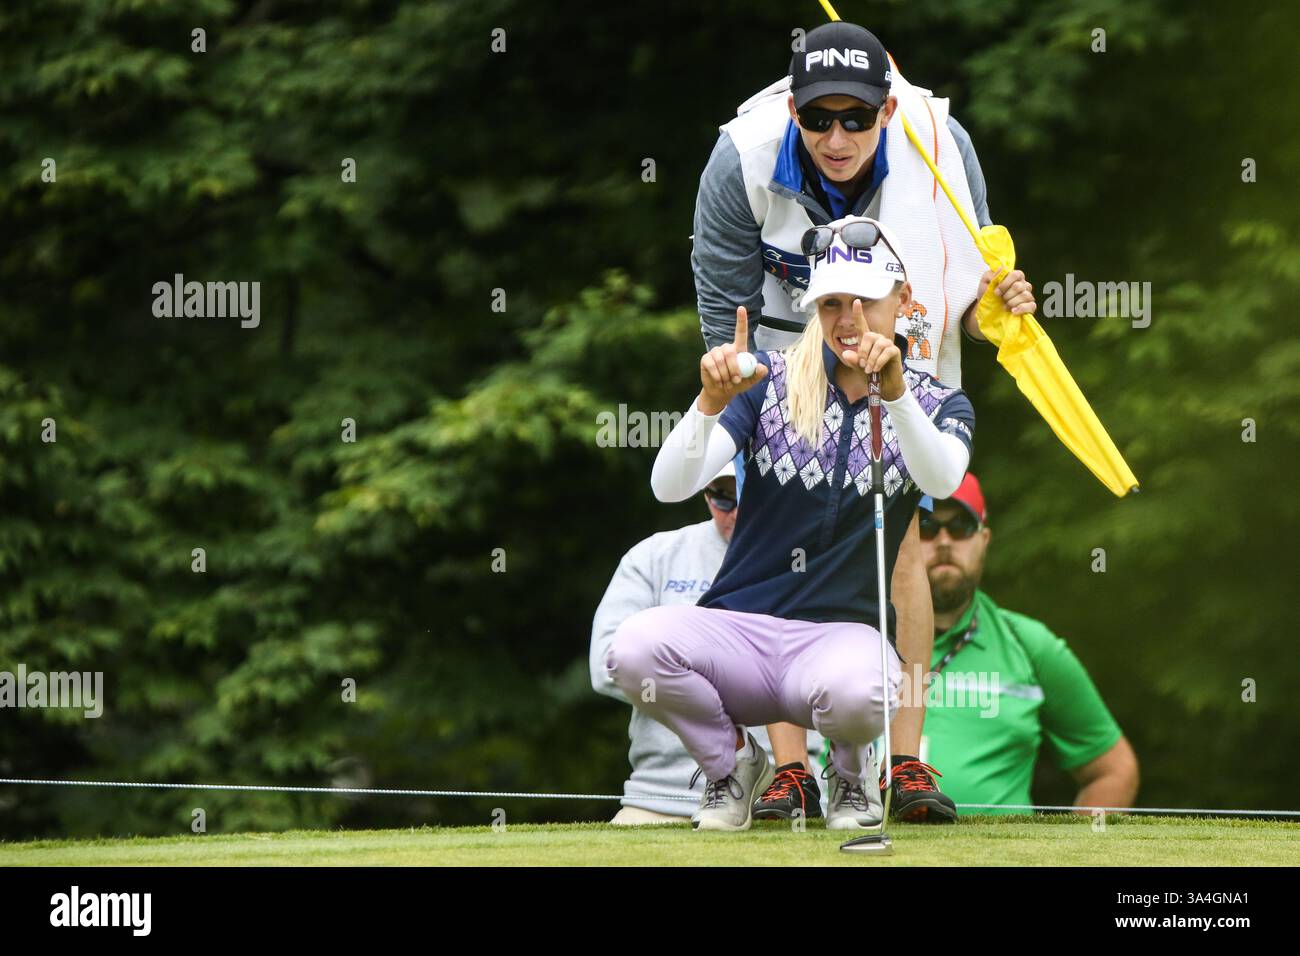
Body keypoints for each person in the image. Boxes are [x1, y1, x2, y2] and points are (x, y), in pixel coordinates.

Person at [691, 19, 1037, 823]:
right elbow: (725, 319)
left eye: (855, 118)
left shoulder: (942, 144)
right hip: (784, 350)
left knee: (907, 540)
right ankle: (790, 770)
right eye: (818, 119)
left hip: (904, 345)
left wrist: (1002, 309)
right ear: (792, 111)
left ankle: (905, 765)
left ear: (888, 111)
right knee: (770, 528)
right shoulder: (738, 158)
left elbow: (972, 302)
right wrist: (732, 427)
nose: (836, 136)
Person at [608, 217, 1008, 831]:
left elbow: (942, 481)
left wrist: (897, 394)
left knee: (867, 689)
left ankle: (849, 777)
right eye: (829, 303)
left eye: (864, 300)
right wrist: (708, 406)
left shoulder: (936, 402)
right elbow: (669, 486)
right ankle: (734, 764)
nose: (848, 317)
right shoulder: (765, 383)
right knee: (634, 649)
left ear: (902, 300)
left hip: (841, 645)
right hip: (741, 632)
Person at [589, 461, 842, 825]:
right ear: (706, 493)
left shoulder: (816, 559)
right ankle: (736, 759)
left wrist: (690, 671)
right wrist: (742, 679)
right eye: (724, 496)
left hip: (789, 798)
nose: (738, 510)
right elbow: (606, 664)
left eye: (752, 494)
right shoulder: (655, 556)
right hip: (663, 795)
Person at [919, 473, 1140, 813]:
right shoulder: (858, 639)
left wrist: (1070, 854)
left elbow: (1114, 770)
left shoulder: (1029, 644)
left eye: (962, 526)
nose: (944, 540)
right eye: (926, 526)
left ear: (985, 539)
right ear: (901, 540)